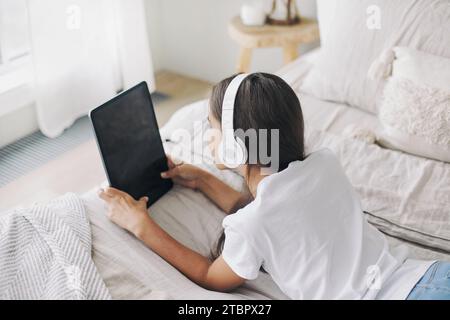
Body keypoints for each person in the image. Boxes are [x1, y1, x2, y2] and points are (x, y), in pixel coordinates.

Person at [98, 73, 449, 300]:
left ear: (238, 145)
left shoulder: (251, 226)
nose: (207, 136)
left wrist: (141, 225)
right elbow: (275, 211)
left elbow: (210, 276)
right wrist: (203, 179)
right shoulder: (325, 164)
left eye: (213, 127)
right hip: (428, 276)